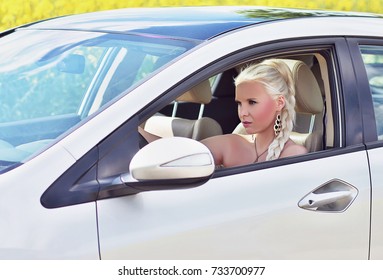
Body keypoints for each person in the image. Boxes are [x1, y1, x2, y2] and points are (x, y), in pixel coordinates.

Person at [140, 59, 308, 168]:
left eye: (252, 102)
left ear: (279, 103)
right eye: (239, 103)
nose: (243, 113)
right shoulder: (233, 143)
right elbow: (178, 153)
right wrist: (134, 131)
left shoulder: (294, 154)